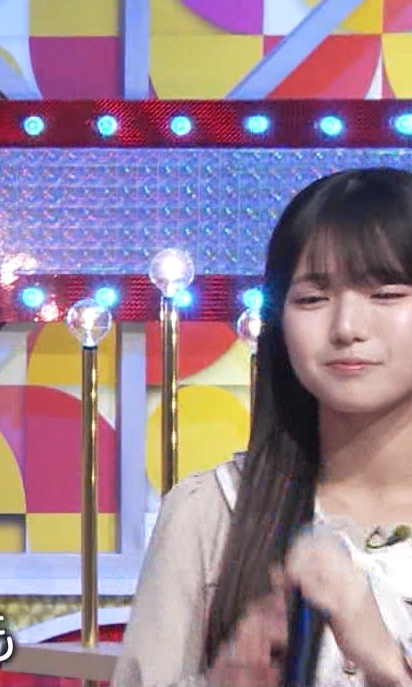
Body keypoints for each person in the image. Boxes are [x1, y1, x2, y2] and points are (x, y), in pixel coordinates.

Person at [115, 168, 412, 687]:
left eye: (386, 294)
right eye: (312, 298)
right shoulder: (211, 513)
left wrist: (383, 660)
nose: (346, 327)